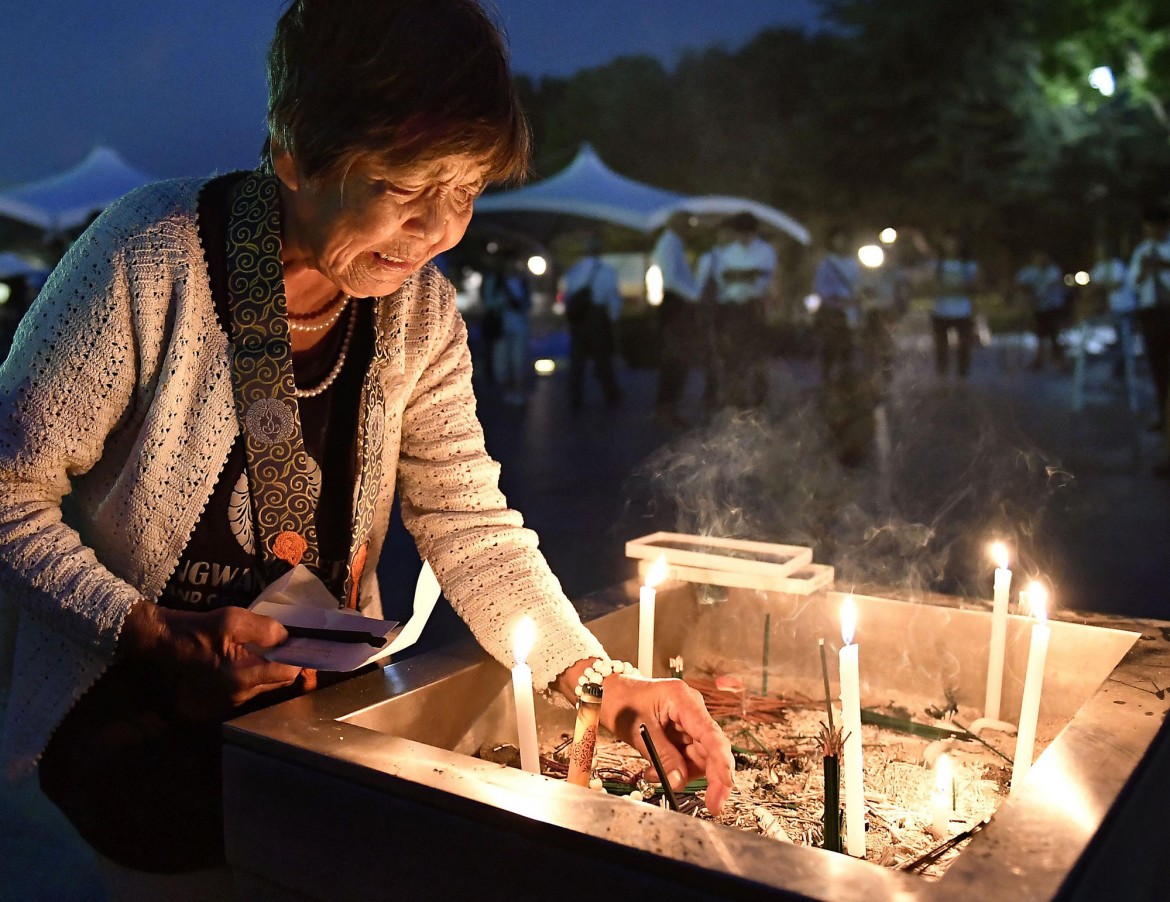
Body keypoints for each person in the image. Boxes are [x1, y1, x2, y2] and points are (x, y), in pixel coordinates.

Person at [0, 0, 733, 889]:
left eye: (463, 193)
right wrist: (150, 630)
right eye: (402, 188)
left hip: (312, 732)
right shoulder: (151, 258)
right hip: (128, 732)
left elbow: (471, 524)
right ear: (298, 152)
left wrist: (596, 680)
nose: (435, 233)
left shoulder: (421, 318)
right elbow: (8, 494)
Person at [709, 212, 776, 407]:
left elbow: (763, 277)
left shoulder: (765, 250)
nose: (744, 238)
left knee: (757, 354)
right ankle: (735, 399)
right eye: (740, 233)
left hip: (754, 306)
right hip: (732, 307)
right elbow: (723, 278)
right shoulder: (728, 252)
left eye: (747, 234)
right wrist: (748, 274)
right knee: (733, 354)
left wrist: (742, 275)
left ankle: (759, 399)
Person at [563, 233, 623, 409]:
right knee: (603, 358)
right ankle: (610, 393)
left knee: (577, 360)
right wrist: (614, 318)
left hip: (580, 318)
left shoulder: (575, 269)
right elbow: (613, 297)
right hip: (598, 316)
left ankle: (575, 397)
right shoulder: (607, 271)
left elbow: (568, 295)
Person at [650, 221, 699, 426]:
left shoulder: (672, 243)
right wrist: (695, 296)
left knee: (677, 358)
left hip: (677, 305)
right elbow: (671, 279)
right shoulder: (669, 244)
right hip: (676, 306)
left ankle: (669, 409)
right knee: (675, 358)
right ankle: (666, 410)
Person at [1128, 205, 1170, 437]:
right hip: (1151, 313)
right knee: (1158, 366)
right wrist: (1145, 269)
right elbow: (1134, 283)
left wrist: (1162, 265)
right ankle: (1163, 414)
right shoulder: (1142, 251)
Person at [481, 248, 532, 405]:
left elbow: (528, 304)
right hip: (501, 327)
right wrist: (504, 300)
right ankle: (506, 392)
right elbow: (488, 303)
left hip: (519, 326)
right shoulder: (495, 280)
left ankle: (517, 390)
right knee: (502, 363)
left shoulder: (522, 281)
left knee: (518, 360)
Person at [928, 230, 980, 380]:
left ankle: (962, 378)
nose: (951, 246)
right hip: (940, 311)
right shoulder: (937, 265)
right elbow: (931, 286)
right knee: (941, 348)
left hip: (963, 310)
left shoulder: (968, 265)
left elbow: (975, 286)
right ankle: (942, 378)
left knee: (964, 347)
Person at [812, 227, 861, 383]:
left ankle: (845, 377)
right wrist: (837, 299)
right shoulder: (826, 263)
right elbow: (821, 287)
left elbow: (858, 285)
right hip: (832, 310)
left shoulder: (853, 263)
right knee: (830, 346)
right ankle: (827, 378)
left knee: (847, 346)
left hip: (849, 311)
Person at [1089, 243, 1136, 383]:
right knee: (1118, 336)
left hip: (1125, 306)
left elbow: (1117, 284)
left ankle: (1123, 368)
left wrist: (1102, 286)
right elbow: (1093, 284)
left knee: (1125, 337)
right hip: (1112, 308)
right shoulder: (1100, 267)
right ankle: (1119, 366)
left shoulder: (1117, 265)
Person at [1016, 250, 1067, 370]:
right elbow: (1021, 283)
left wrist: (1036, 294)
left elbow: (1050, 285)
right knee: (1039, 334)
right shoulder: (1030, 271)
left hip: (1053, 307)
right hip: (1039, 308)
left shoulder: (1053, 271)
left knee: (1054, 335)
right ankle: (1039, 359)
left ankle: (1059, 361)